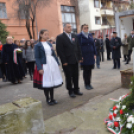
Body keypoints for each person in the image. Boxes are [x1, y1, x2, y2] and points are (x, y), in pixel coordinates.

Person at [34, 29, 63, 105]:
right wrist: (39, 68)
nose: (47, 36)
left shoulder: (50, 44)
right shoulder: (37, 45)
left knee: (52, 82)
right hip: (45, 65)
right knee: (47, 83)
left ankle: (52, 98)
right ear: (41, 35)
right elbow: (37, 57)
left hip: (52, 64)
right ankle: (48, 99)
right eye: (45, 34)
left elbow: (53, 54)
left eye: (47, 34)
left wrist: (57, 63)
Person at [56, 22, 83, 97]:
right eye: (68, 27)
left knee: (76, 76)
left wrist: (80, 57)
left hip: (75, 60)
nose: (70, 28)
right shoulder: (60, 37)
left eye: (70, 27)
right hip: (67, 61)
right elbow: (60, 51)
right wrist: (63, 61)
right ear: (64, 28)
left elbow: (78, 47)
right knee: (69, 77)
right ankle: (70, 91)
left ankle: (76, 89)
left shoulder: (74, 35)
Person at [77, 24, 96, 90]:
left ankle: (89, 83)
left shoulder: (90, 35)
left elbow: (93, 44)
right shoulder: (79, 36)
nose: (86, 29)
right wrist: (80, 56)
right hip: (84, 56)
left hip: (90, 56)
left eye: (87, 28)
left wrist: (94, 53)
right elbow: (78, 47)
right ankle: (86, 84)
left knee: (90, 70)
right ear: (82, 29)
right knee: (86, 70)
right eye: (85, 28)